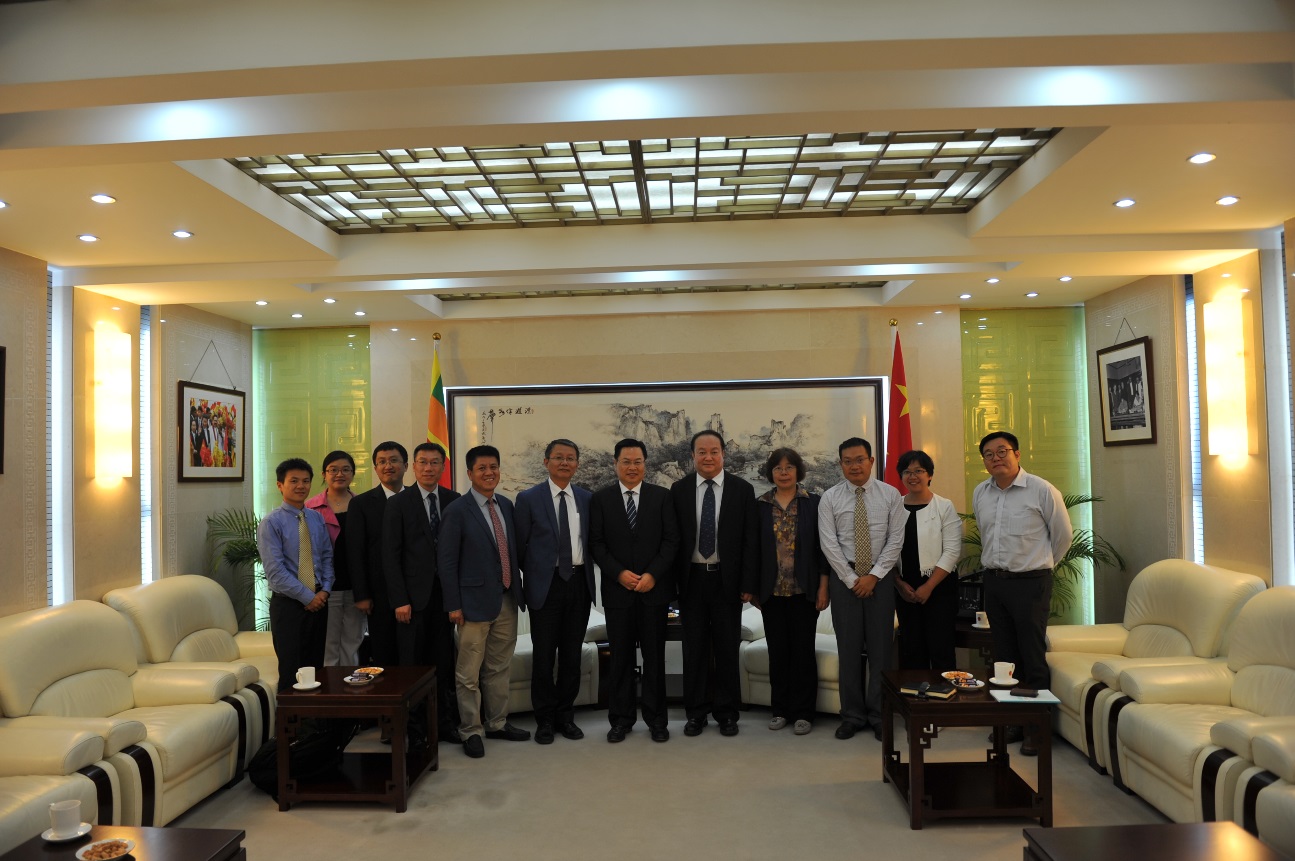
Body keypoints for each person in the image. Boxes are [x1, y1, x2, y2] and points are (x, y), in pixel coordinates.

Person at [973, 430, 1073, 756]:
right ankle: (1012, 722)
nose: (996, 458)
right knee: (1004, 657)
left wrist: (1038, 567)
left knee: (1031, 656)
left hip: (1031, 583)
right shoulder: (981, 493)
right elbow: (986, 534)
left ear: (1017, 454)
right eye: (989, 454)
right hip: (995, 582)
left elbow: (1063, 537)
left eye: (1002, 451)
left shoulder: (1042, 490)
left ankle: (1036, 729)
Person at [439, 445, 529, 758]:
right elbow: (447, 562)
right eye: (482, 468)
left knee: (499, 668)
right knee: (468, 674)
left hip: (506, 599)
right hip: (471, 605)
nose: (489, 473)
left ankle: (497, 723)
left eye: (494, 467)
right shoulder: (457, 510)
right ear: (470, 473)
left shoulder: (506, 505)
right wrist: (453, 604)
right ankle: (471, 730)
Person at [589, 438, 680, 743]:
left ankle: (657, 720)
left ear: (645, 464)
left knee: (654, 658)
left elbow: (671, 541)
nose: (632, 467)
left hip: (654, 592)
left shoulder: (662, 497)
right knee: (621, 660)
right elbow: (596, 543)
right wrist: (619, 574)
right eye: (626, 462)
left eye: (637, 461)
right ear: (615, 464)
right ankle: (621, 720)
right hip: (618, 593)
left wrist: (653, 574)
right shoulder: (601, 499)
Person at [669, 429, 758, 738]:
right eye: (702, 452)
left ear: (723, 455)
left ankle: (727, 713)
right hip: (691, 580)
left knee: (726, 649)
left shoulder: (742, 489)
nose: (708, 457)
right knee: (693, 650)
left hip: (727, 581)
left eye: (714, 451)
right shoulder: (679, 490)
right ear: (692, 456)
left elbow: (750, 541)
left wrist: (748, 582)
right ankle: (695, 713)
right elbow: (673, 540)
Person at [818, 437, 905, 741]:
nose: (854, 466)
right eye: (847, 461)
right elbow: (829, 543)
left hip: (881, 580)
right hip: (845, 581)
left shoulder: (891, 495)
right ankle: (852, 715)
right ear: (840, 464)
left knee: (881, 651)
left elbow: (896, 540)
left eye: (859, 460)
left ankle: (879, 715)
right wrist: (851, 578)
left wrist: (874, 576)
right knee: (849, 650)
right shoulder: (829, 498)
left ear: (871, 461)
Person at [514, 439, 595, 744]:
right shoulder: (528, 498)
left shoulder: (586, 499)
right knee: (544, 657)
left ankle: (565, 716)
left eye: (570, 458)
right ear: (546, 462)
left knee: (572, 656)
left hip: (578, 583)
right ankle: (545, 719)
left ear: (577, 464)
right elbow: (519, 547)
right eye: (558, 457)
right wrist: (538, 572)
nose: (564, 462)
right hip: (545, 585)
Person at [383, 442, 462, 742]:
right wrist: (400, 600)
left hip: (446, 598)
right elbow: (391, 556)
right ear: (413, 467)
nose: (429, 468)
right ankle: (414, 730)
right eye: (423, 462)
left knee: (444, 663)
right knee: (412, 666)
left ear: (443, 467)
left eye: (435, 462)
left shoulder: (454, 500)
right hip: (412, 602)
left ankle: (443, 724)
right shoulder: (398, 503)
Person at [753, 447, 829, 735]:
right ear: (770, 473)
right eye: (778, 468)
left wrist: (823, 587)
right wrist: (752, 589)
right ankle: (780, 710)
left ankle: (804, 713)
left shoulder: (814, 503)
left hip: (804, 591)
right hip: (771, 593)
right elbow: (752, 549)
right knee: (778, 653)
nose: (783, 473)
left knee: (803, 653)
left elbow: (823, 549)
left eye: (789, 467)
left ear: (798, 471)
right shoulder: (760, 505)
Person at [257, 457, 334, 692]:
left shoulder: (316, 518)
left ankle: (315, 715)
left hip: (319, 603)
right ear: (280, 485)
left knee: (316, 668)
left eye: (306, 481)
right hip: (289, 605)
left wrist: (325, 590)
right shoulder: (271, 523)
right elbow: (276, 572)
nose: (301, 486)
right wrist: (308, 597)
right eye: (294, 481)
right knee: (292, 670)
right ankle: (289, 717)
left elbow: (326, 557)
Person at [892, 450, 963, 672]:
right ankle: (915, 694)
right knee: (912, 650)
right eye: (907, 472)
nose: (913, 476)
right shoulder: (894, 508)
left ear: (929, 475)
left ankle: (945, 694)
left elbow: (952, 551)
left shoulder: (944, 506)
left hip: (939, 588)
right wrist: (898, 584)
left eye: (919, 471)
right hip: (905, 589)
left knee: (941, 650)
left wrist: (928, 586)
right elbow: (886, 550)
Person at [344, 441, 408, 667]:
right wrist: (361, 594)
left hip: (415, 592)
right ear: (375, 468)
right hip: (379, 594)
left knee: (414, 653)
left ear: (405, 466)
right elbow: (355, 551)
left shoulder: (417, 499)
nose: (388, 466)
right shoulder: (360, 504)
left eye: (393, 460)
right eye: (382, 462)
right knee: (384, 652)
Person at [307, 450, 362, 667]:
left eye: (346, 469)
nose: (340, 474)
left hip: (356, 586)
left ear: (353, 474)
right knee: (328, 643)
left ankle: (351, 683)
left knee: (353, 641)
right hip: (325, 587)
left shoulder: (362, 504)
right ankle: (331, 685)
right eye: (333, 470)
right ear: (324, 474)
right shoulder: (310, 507)